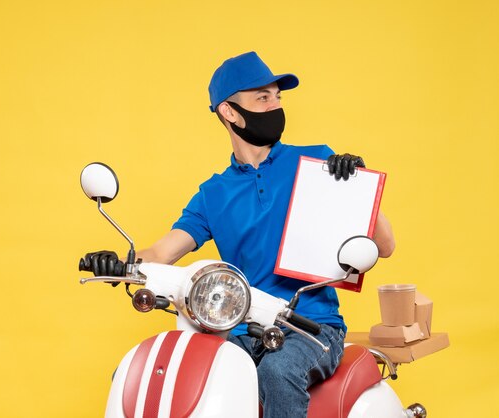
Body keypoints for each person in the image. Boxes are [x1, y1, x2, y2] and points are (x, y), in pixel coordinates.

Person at [83, 51, 395, 418]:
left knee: (279, 373)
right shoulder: (214, 193)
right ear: (229, 112)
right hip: (241, 329)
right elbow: (162, 252)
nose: (275, 106)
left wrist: (353, 184)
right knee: (148, 370)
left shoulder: (315, 163)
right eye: (263, 98)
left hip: (312, 329)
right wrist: (120, 263)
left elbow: (385, 245)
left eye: (277, 98)